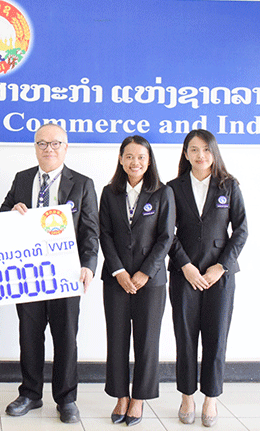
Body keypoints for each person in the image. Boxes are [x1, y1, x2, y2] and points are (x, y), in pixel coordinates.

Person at [0, 123, 99, 424]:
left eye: (55, 143)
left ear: (65, 148)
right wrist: (11, 213)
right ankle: (30, 393)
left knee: (65, 337)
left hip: (66, 274)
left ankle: (66, 399)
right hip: (27, 273)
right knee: (29, 336)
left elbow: (90, 231)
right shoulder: (22, 179)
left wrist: (88, 265)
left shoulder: (82, 183)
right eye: (42, 143)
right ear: (35, 147)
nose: (48, 149)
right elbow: (1, 215)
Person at [167, 129, 247, 427]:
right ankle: (187, 396)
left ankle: (211, 398)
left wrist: (221, 266)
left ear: (214, 152)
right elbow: (167, 233)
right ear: (185, 153)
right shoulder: (173, 187)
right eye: (194, 149)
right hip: (184, 273)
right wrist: (186, 265)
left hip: (219, 276)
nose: (200, 155)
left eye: (206, 149)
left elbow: (241, 230)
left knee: (216, 337)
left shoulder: (229, 185)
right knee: (185, 337)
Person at [99, 136, 175, 426]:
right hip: (116, 280)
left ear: (149, 160)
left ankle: (139, 399)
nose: (135, 162)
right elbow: (104, 234)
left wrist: (145, 272)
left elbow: (166, 237)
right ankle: (120, 396)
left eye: (141, 157)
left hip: (150, 282)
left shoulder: (163, 192)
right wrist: (119, 271)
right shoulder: (109, 193)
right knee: (117, 339)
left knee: (147, 341)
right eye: (129, 156)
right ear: (121, 159)